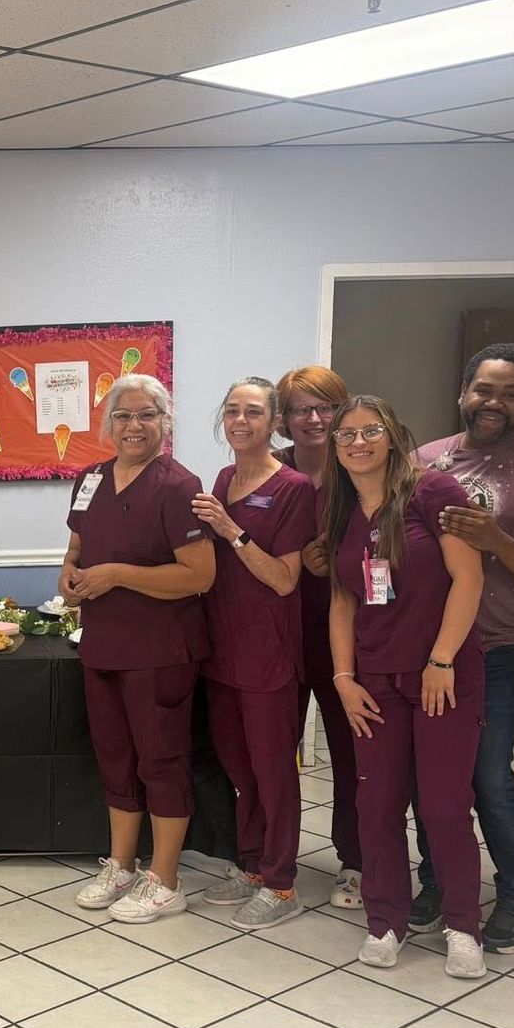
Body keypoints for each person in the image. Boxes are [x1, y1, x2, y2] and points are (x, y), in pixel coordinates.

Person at [409, 343, 514, 953]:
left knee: (486, 779)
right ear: (463, 391)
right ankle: (436, 884)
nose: (494, 403)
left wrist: (497, 539)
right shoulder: (425, 460)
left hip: (494, 651)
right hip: (422, 651)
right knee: (432, 781)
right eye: (484, 389)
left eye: (510, 393)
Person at [326, 396, 488, 979]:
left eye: (370, 430)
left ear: (393, 436)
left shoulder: (434, 492)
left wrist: (441, 660)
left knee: (445, 807)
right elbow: (343, 599)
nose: (357, 442)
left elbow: (469, 580)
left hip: (442, 676)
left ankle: (462, 924)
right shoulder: (341, 511)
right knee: (377, 805)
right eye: (346, 434)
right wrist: (343, 678)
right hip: (375, 681)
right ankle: (386, 920)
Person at [62, 375, 216, 925]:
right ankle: (122, 864)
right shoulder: (90, 479)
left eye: (146, 415)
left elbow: (199, 575)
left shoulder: (178, 486)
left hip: (160, 649)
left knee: (161, 760)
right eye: (123, 416)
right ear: (108, 424)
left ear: (164, 422)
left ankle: (165, 879)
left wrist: (118, 576)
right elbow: (79, 543)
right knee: (115, 758)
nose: (134, 426)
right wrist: (70, 574)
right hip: (103, 644)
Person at [189, 379, 317, 930]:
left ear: (274, 423)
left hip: (268, 652)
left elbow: (286, 579)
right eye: (233, 411)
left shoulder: (293, 488)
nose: (241, 420)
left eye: (254, 412)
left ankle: (283, 883)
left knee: (272, 771)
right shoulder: (224, 479)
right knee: (239, 766)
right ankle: (253, 864)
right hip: (221, 648)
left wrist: (231, 530)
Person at [272, 365, 363, 907]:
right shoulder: (268, 472)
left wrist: (335, 565)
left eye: (326, 407)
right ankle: (269, 857)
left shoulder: (363, 470)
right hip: (279, 634)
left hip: (349, 638)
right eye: (301, 408)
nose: (314, 419)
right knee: (272, 751)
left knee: (353, 755)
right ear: (283, 419)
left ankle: (355, 862)